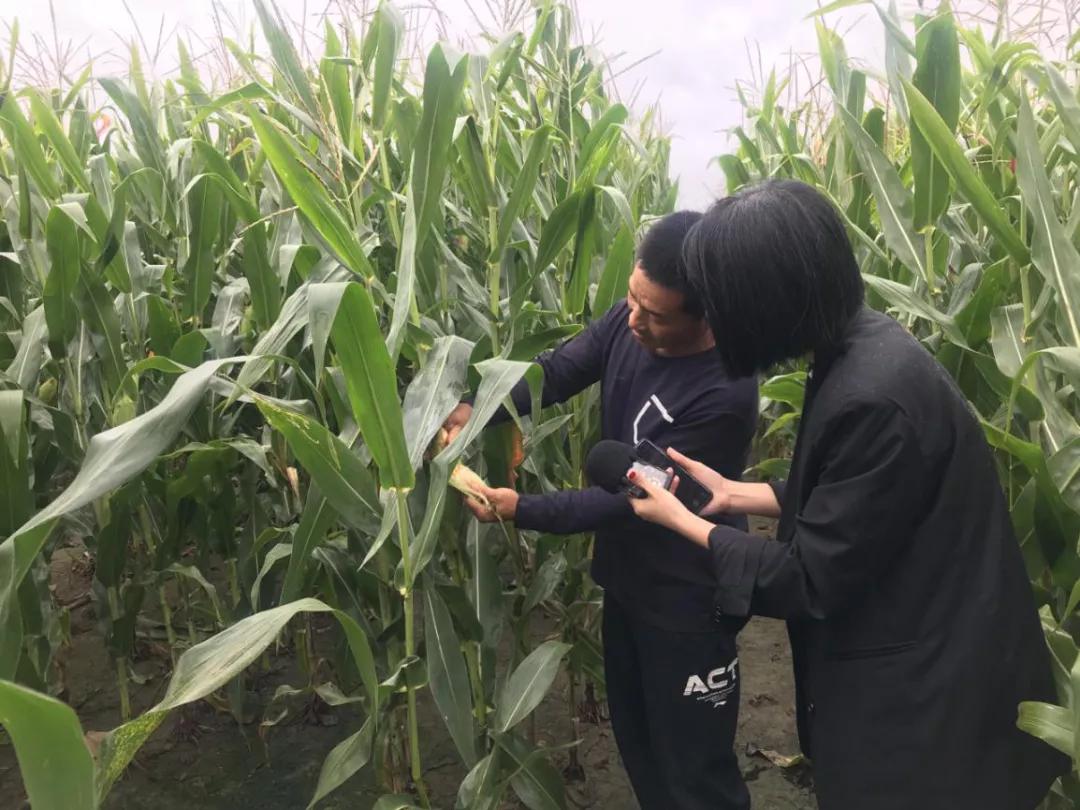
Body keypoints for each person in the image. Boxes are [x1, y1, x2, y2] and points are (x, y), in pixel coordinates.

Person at [625, 179, 1069, 810]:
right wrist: (744, 495)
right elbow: (869, 498)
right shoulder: (860, 347)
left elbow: (810, 579)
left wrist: (685, 522)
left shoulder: (873, 396)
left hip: (927, 714)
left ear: (764, 301)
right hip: (931, 669)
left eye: (721, 302)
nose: (715, 321)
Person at [442, 211, 759, 810]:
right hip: (628, 582)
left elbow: (630, 501)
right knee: (640, 750)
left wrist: (523, 508)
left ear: (706, 312)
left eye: (655, 314)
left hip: (689, 599)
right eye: (632, 301)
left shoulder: (726, 391)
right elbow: (559, 371)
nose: (633, 319)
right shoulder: (630, 319)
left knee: (696, 774)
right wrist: (476, 407)